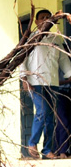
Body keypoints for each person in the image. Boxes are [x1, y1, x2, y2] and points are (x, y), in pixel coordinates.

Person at [21, 9, 71, 159]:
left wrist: (69, 75)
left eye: (48, 17)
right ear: (37, 22)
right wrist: (24, 79)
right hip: (35, 82)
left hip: (52, 83)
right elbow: (21, 59)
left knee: (50, 118)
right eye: (42, 18)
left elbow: (63, 60)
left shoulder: (56, 39)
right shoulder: (31, 38)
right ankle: (32, 142)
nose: (45, 19)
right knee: (42, 112)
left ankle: (47, 150)